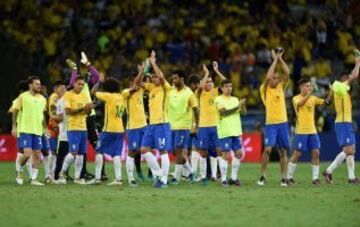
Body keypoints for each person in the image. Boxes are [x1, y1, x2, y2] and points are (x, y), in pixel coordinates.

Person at [66, 52, 106, 180]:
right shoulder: (74, 88)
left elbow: (98, 77)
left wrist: (88, 64)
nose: (83, 83)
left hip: (90, 117)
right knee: (79, 149)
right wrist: (75, 70)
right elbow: (71, 83)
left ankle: (102, 173)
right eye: (80, 81)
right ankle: (81, 173)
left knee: (97, 145)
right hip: (78, 118)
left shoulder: (87, 87)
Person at [135, 50, 171, 189]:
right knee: (144, 149)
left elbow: (161, 77)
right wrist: (143, 71)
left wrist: (154, 63)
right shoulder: (151, 87)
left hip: (162, 124)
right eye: (152, 77)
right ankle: (158, 174)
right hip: (151, 125)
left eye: (155, 77)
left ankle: (164, 180)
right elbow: (137, 82)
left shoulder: (165, 87)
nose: (154, 79)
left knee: (163, 152)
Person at [287, 77, 332, 185]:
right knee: (297, 153)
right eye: (307, 86)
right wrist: (310, 93)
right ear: (301, 87)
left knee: (316, 153)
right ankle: (289, 178)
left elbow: (326, 102)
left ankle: (315, 179)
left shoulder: (313, 98)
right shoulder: (296, 98)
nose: (309, 88)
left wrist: (331, 92)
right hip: (301, 131)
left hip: (312, 130)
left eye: (309, 86)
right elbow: (301, 103)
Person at [323, 52, 360, 184]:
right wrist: (357, 62)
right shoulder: (340, 86)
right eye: (346, 77)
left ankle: (351, 177)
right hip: (342, 122)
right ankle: (329, 171)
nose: (349, 78)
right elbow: (355, 75)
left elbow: (328, 100)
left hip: (346, 122)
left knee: (352, 150)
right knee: (348, 150)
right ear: (342, 79)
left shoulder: (339, 89)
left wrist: (328, 98)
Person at [257, 48, 290, 186]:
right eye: (274, 78)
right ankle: (263, 175)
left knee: (283, 151)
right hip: (271, 124)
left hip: (283, 123)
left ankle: (283, 177)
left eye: (277, 78)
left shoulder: (281, 87)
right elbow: (268, 77)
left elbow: (287, 73)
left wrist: (280, 59)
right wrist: (275, 60)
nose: (275, 79)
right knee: (268, 149)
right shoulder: (264, 89)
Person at [88, 77, 125, 185]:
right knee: (116, 154)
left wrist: (99, 82)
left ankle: (98, 178)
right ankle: (118, 179)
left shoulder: (109, 96)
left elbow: (93, 92)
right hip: (120, 129)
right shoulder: (122, 96)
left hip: (108, 129)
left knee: (99, 151)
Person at [11, 76, 47, 186]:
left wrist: (45, 128)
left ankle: (34, 179)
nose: (39, 86)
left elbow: (42, 116)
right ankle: (19, 170)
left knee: (37, 155)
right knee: (27, 154)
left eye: (39, 84)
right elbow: (15, 111)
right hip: (25, 130)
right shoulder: (23, 97)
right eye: (36, 84)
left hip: (37, 131)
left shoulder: (42, 99)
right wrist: (14, 127)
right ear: (30, 85)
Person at [58, 76, 94, 184]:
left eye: (83, 84)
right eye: (79, 84)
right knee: (73, 152)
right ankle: (62, 174)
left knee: (81, 154)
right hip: (73, 128)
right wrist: (84, 108)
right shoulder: (68, 95)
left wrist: (89, 109)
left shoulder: (85, 95)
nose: (81, 86)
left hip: (83, 127)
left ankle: (77, 178)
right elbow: (68, 111)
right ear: (74, 84)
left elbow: (88, 113)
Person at [195, 62, 225, 184]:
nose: (209, 83)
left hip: (216, 126)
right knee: (203, 152)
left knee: (219, 150)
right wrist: (206, 72)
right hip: (203, 127)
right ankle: (203, 177)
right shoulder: (200, 93)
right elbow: (200, 86)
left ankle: (222, 177)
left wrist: (216, 71)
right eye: (207, 81)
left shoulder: (215, 91)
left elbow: (226, 82)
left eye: (210, 81)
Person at [168, 70, 199, 185]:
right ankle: (191, 172)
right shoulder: (171, 91)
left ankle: (176, 178)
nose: (173, 80)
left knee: (179, 151)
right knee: (175, 152)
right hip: (171, 126)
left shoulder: (189, 93)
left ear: (181, 79)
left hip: (183, 127)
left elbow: (196, 110)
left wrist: (196, 126)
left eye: (175, 78)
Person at [214, 79, 246, 187]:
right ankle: (223, 179)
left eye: (230, 86)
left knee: (239, 153)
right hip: (225, 131)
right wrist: (238, 106)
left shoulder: (235, 99)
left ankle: (233, 178)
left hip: (236, 131)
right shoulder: (218, 99)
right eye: (226, 86)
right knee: (225, 155)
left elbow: (243, 113)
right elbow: (224, 113)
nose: (229, 88)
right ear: (222, 88)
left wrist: (243, 107)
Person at [123, 67, 148, 187]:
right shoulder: (125, 93)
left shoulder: (141, 91)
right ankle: (131, 178)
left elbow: (144, 84)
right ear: (130, 83)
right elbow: (134, 88)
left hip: (144, 126)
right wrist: (140, 73)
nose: (136, 84)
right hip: (132, 127)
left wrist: (144, 71)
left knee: (148, 149)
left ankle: (157, 175)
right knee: (132, 152)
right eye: (134, 82)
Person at [9, 80, 32, 184]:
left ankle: (32, 176)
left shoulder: (31, 99)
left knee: (30, 153)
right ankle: (19, 172)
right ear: (22, 91)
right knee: (22, 152)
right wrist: (14, 126)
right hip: (22, 129)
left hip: (33, 128)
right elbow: (12, 111)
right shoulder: (18, 99)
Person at [45, 80, 67, 183]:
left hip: (60, 128)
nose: (64, 90)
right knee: (54, 151)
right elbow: (53, 114)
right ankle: (50, 175)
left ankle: (55, 174)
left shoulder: (63, 97)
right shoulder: (54, 97)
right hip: (53, 128)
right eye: (61, 88)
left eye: (64, 88)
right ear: (55, 89)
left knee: (60, 153)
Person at [54, 84, 69, 180]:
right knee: (69, 155)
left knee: (61, 155)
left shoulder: (60, 101)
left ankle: (57, 175)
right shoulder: (71, 99)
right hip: (73, 131)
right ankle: (64, 174)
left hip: (64, 133)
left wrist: (53, 118)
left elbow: (60, 118)